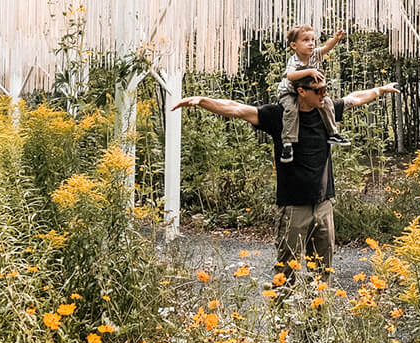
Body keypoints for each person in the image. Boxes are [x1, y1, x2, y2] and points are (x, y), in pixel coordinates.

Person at [171, 76, 399, 285]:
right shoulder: (279, 115)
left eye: (326, 90)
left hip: (323, 205)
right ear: (301, 91)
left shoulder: (325, 110)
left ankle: (317, 325)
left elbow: (354, 99)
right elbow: (238, 109)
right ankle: (283, 323)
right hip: (293, 207)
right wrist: (202, 101)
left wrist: (380, 90)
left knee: (322, 271)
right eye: (319, 90)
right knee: (286, 272)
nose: (324, 95)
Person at [278, 25, 348, 162]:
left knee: (327, 102)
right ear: (294, 45)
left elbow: (326, 48)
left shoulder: (314, 54)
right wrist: (310, 71)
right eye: (305, 40)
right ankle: (287, 143)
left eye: (313, 40)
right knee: (291, 109)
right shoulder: (294, 60)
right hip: (289, 92)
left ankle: (333, 133)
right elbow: (290, 76)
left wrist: (336, 39)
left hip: (307, 92)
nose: (311, 43)